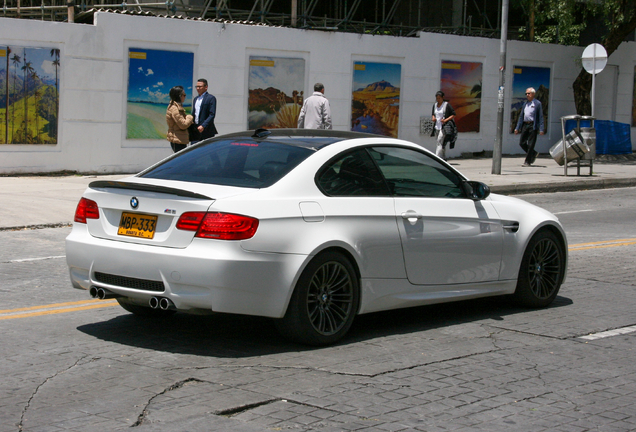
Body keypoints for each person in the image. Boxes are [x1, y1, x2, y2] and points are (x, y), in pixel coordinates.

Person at [514, 87, 545, 167]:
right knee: (522, 142)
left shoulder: (537, 104)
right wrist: (517, 128)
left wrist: (541, 128)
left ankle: (527, 161)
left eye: (529, 93)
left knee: (531, 144)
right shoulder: (525, 104)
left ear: (533, 94)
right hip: (525, 124)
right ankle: (533, 153)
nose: (527, 95)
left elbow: (541, 117)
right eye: (526, 93)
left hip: (533, 125)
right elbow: (521, 116)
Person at [166, 86, 194, 153]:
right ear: (179, 96)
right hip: (177, 139)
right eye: (184, 95)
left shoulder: (175, 106)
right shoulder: (175, 109)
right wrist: (190, 117)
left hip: (179, 138)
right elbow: (183, 125)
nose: (185, 96)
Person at [430, 91, 456, 161]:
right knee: (442, 144)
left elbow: (453, 114)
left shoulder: (446, 105)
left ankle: (437, 158)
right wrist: (433, 117)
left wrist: (445, 120)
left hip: (444, 127)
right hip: (437, 127)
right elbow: (433, 113)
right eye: (437, 98)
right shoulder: (435, 105)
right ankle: (444, 158)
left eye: (439, 98)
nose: (438, 100)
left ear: (443, 98)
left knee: (439, 142)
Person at [191, 78, 218, 143]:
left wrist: (203, 125)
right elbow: (194, 113)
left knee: (207, 151)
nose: (198, 88)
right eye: (197, 87)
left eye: (200, 86)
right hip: (196, 130)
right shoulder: (195, 99)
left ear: (206, 87)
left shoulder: (210, 98)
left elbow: (212, 114)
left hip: (206, 131)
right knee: (194, 149)